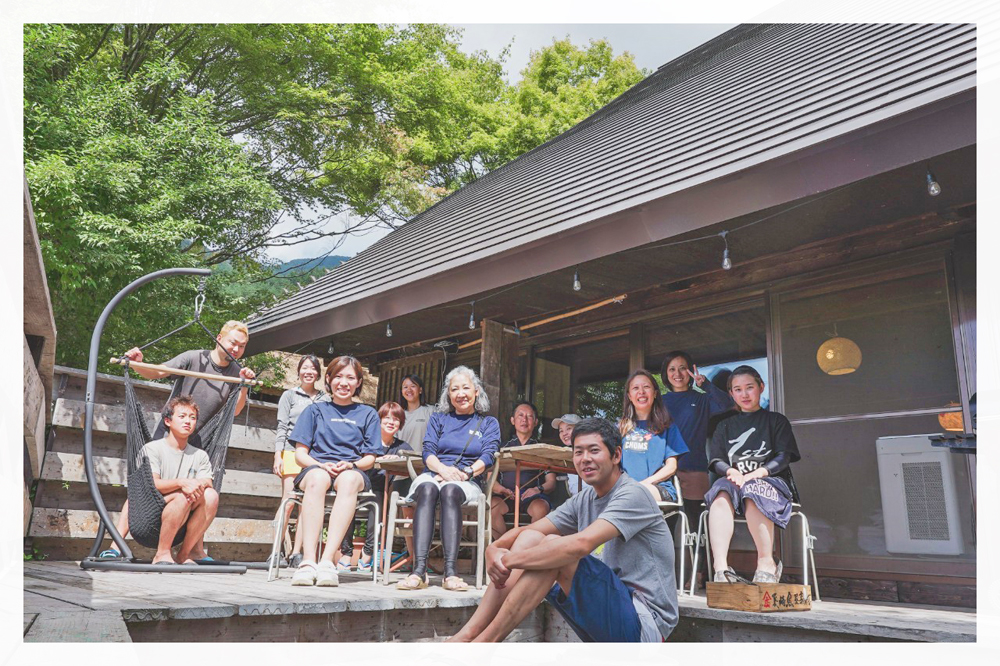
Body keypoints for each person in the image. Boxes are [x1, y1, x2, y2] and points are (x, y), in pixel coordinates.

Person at [447, 418, 678, 643]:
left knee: (558, 551)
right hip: (609, 609)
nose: (585, 459)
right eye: (578, 452)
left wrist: (508, 560)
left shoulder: (633, 494)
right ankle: (466, 636)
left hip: (644, 623)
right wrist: (494, 548)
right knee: (532, 537)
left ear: (616, 455)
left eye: (594, 450)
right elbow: (529, 531)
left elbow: (581, 545)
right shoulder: (585, 498)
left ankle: (484, 644)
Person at [100, 320, 257, 560]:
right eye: (232, 343)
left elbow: (235, 410)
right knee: (142, 488)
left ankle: (193, 549)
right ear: (219, 338)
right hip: (169, 436)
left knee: (201, 494)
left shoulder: (237, 372)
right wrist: (137, 363)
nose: (235, 349)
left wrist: (244, 385)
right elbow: (159, 372)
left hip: (203, 443)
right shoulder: (194, 358)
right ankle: (116, 544)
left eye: (241, 346)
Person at [395, 366, 501, 592]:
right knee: (427, 489)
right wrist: (443, 471)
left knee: (450, 490)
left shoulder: (488, 423)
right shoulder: (438, 419)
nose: (460, 393)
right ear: (448, 395)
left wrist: (465, 473)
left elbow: (489, 456)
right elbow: (428, 452)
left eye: (465, 388)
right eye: (455, 389)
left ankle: (450, 573)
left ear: (476, 391)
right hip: (435, 473)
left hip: (468, 479)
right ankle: (419, 570)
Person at [288, 356, 382, 587]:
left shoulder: (368, 414)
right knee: (318, 478)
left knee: (349, 480)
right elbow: (300, 454)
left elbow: (370, 458)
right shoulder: (314, 411)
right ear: (328, 379)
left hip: (351, 470)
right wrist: (319, 465)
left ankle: (328, 561)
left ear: (359, 382)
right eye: (338, 376)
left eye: (350, 377)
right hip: (316, 468)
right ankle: (308, 561)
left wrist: (351, 465)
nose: (344, 382)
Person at [705, 365, 801, 583]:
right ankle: (720, 567)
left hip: (771, 481)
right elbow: (716, 460)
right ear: (731, 394)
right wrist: (731, 471)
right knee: (719, 495)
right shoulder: (724, 426)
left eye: (749, 387)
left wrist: (757, 473)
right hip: (734, 481)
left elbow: (784, 456)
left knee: (753, 491)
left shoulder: (776, 421)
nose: (744, 394)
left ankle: (766, 561)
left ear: (761, 387)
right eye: (737, 389)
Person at [660, 351, 735, 586]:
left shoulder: (701, 399)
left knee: (698, 523)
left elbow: (727, 403)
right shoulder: (659, 401)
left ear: (690, 372)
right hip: (664, 471)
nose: (677, 374)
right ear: (665, 374)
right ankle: (665, 576)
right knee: (665, 524)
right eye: (672, 369)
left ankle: (699, 576)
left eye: (682, 368)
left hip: (694, 468)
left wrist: (706, 384)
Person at [142, 396, 218, 565]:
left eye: (192, 418)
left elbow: (208, 482)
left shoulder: (200, 455)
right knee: (182, 495)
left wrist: (195, 485)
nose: (188, 421)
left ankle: (184, 554)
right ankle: (161, 554)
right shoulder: (152, 449)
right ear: (168, 421)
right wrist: (182, 483)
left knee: (211, 495)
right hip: (151, 511)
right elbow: (152, 484)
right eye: (182, 416)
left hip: (186, 511)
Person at [338, 401, 413, 572]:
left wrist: (397, 460)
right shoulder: (365, 441)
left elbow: (413, 462)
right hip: (356, 486)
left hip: (380, 490)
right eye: (386, 418)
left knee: (379, 502)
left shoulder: (401, 447)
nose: (391, 422)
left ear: (400, 424)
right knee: (347, 505)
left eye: (396, 419)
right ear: (378, 420)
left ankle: (367, 554)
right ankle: (346, 554)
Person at [272, 355, 328, 569]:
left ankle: (297, 552)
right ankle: (276, 550)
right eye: (305, 368)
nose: (309, 372)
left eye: (313, 369)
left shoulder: (324, 399)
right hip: (290, 450)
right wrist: (278, 455)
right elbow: (281, 427)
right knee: (289, 501)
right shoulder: (289, 395)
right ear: (299, 371)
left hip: (313, 455)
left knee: (307, 504)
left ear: (318, 374)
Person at [618, 369, 689, 505]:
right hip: (625, 490)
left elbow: (671, 467)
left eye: (646, 387)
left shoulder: (668, 427)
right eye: (635, 388)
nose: (641, 392)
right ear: (629, 396)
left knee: (632, 495)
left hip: (658, 489)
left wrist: (642, 484)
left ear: (655, 393)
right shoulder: (619, 429)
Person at [491, 401, 555, 538]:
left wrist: (537, 490)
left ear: (536, 422)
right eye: (520, 415)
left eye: (529, 416)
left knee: (541, 506)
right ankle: (505, 547)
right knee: (492, 505)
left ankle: (528, 549)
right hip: (506, 496)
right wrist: (501, 489)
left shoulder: (542, 449)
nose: (524, 420)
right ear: (512, 420)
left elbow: (551, 482)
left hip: (533, 497)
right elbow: (490, 478)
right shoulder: (501, 448)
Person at [551, 414, 583, 504]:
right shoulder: (562, 457)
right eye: (561, 431)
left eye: (569, 428)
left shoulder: (591, 453)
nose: (564, 433)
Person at [399, 374, 434, 454]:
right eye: (405, 387)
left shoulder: (431, 411)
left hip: (424, 461)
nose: (409, 390)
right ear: (401, 392)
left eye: (413, 386)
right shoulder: (398, 414)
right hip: (400, 462)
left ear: (420, 390)